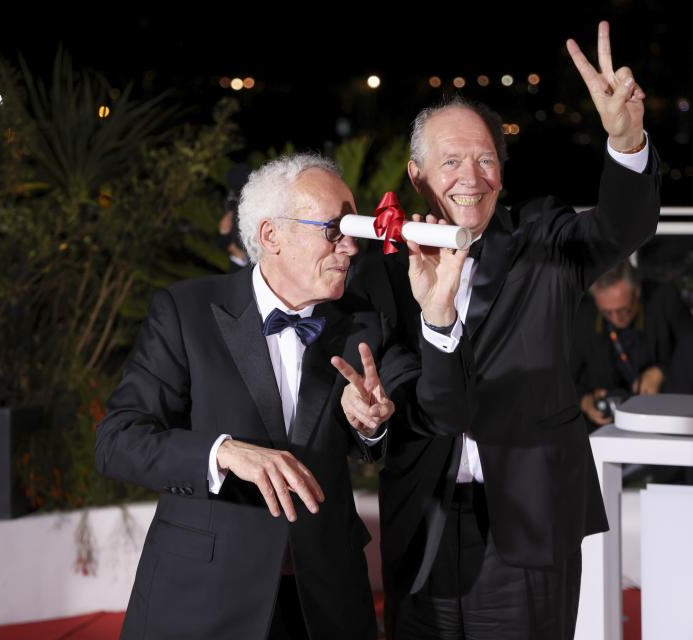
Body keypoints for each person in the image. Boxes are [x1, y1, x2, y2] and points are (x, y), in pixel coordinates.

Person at [348, 21, 660, 639]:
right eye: (452, 161)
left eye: (486, 158)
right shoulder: (383, 272)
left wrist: (626, 142)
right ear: (417, 176)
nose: (472, 176)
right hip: (424, 525)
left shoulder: (543, 241)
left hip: (530, 521)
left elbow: (620, 227)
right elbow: (388, 393)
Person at [94, 154, 467, 639]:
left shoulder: (363, 320)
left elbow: (430, 413)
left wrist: (372, 424)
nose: (350, 247)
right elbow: (117, 441)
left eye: (352, 229)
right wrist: (223, 452)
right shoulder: (186, 311)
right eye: (333, 230)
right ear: (271, 236)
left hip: (326, 598)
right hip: (205, 594)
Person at [571, 260, 693, 429]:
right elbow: (563, 377)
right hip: (609, 427)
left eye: (623, 310)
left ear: (637, 292)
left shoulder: (664, 299)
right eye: (607, 313)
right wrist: (584, 401)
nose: (616, 318)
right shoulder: (584, 316)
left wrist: (663, 371)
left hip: (666, 417)